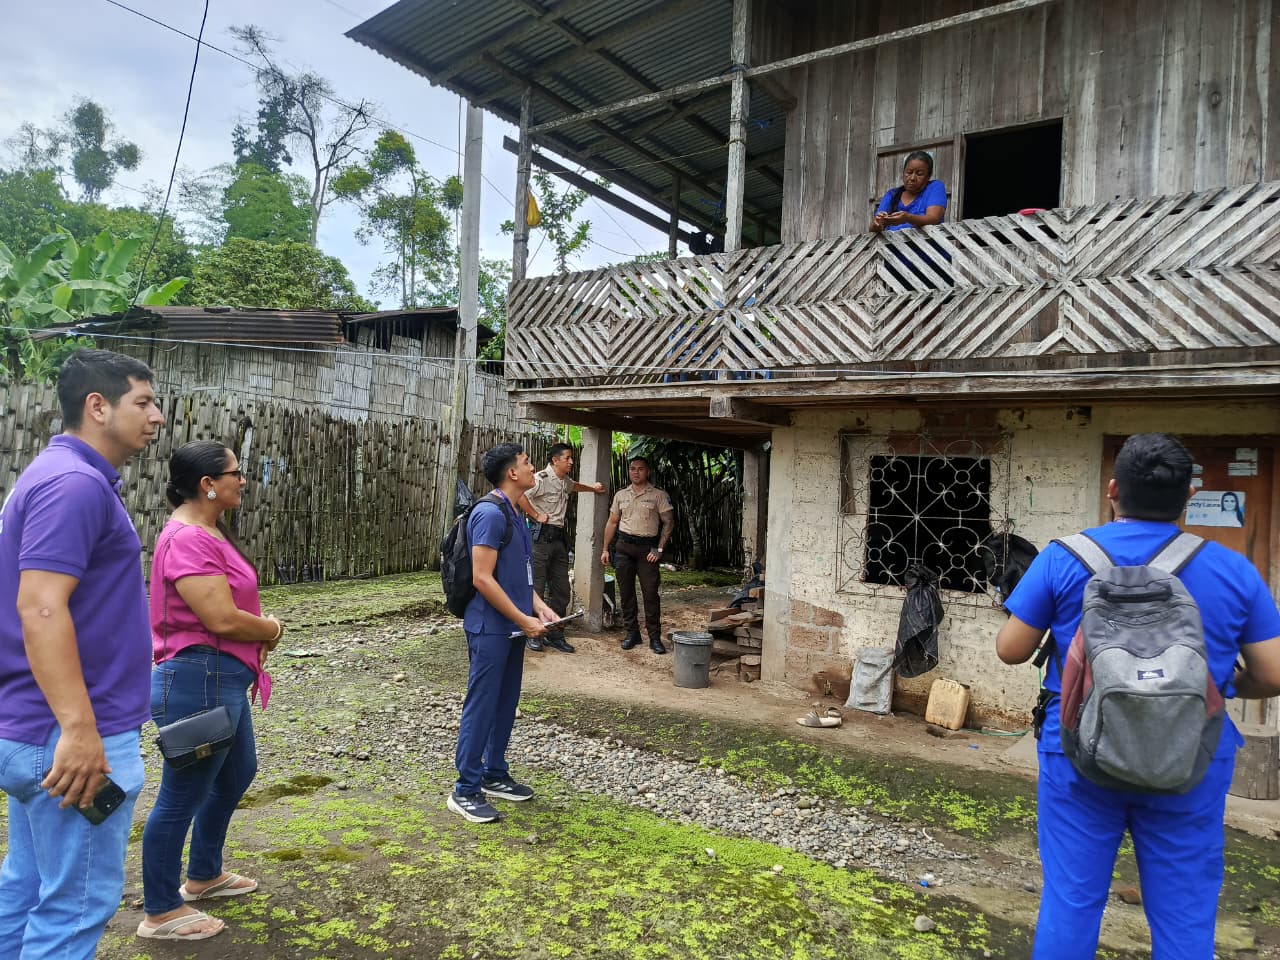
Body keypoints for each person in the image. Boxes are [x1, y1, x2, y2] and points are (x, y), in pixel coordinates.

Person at [996, 433, 1280, 960]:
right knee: (1184, 915)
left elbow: (1010, 650)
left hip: (1078, 751)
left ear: (1112, 490)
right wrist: (1229, 685)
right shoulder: (1232, 569)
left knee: (1071, 903)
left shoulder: (1063, 558)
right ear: (1189, 496)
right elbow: (1273, 673)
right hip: (1190, 756)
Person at [0, 348, 165, 960]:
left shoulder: (54, 474)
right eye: (144, 402)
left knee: (28, 885)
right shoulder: (73, 484)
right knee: (75, 905)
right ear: (98, 406)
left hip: (37, 726)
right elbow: (40, 607)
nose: (157, 416)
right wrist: (78, 728)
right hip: (68, 736)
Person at [136, 441, 285, 941]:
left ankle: (203, 874)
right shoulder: (187, 539)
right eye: (235, 473)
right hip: (197, 679)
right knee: (181, 796)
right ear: (208, 484)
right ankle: (160, 910)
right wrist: (271, 628)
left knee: (238, 772)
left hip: (221, 678)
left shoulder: (209, 531)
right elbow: (219, 617)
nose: (242, 480)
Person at [449, 443, 556, 823]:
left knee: (505, 702)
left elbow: (516, 574)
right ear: (512, 473)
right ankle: (465, 789)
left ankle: (494, 773)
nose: (533, 469)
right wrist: (523, 619)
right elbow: (482, 578)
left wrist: (538, 606)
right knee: (482, 705)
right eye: (527, 463)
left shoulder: (514, 512)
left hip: (512, 626)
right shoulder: (489, 514)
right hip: (489, 627)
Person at [516, 442, 606, 653]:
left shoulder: (564, 481)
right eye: (567, 458)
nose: (571, 462)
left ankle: (555, 634)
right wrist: (536, 515)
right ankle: (534, 634)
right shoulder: (541, 479)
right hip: (539, 540)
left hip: (558, 540)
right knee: (537, 588)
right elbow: (520, 495)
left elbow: (574, 486)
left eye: (571, 458)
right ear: (555, 460)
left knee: (562, 590)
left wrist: (593, 489)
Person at [600, 456, 675, 655]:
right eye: (633, 468)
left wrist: (659, 549)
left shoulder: (658, 495)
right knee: (626, 593)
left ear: (647, 471)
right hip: (624, 547)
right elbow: (612, 522)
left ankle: (654, 637)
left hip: (647, 550)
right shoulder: (621, 495)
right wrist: (605, 549)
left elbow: (669, 522)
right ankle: (632, 633)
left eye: (640, 469)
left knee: (650, 594)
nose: (636, 472)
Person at [869, 150, 947, 233]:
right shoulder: (892, 194)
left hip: (925, 241)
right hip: (891, 241)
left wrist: (907, 218)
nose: (912, 178)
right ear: (903, 173)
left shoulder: (934, 187)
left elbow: (934, 219)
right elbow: (873, 229)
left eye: (919, 174)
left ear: (928, 176)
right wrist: (877, 223)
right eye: (909, 173)